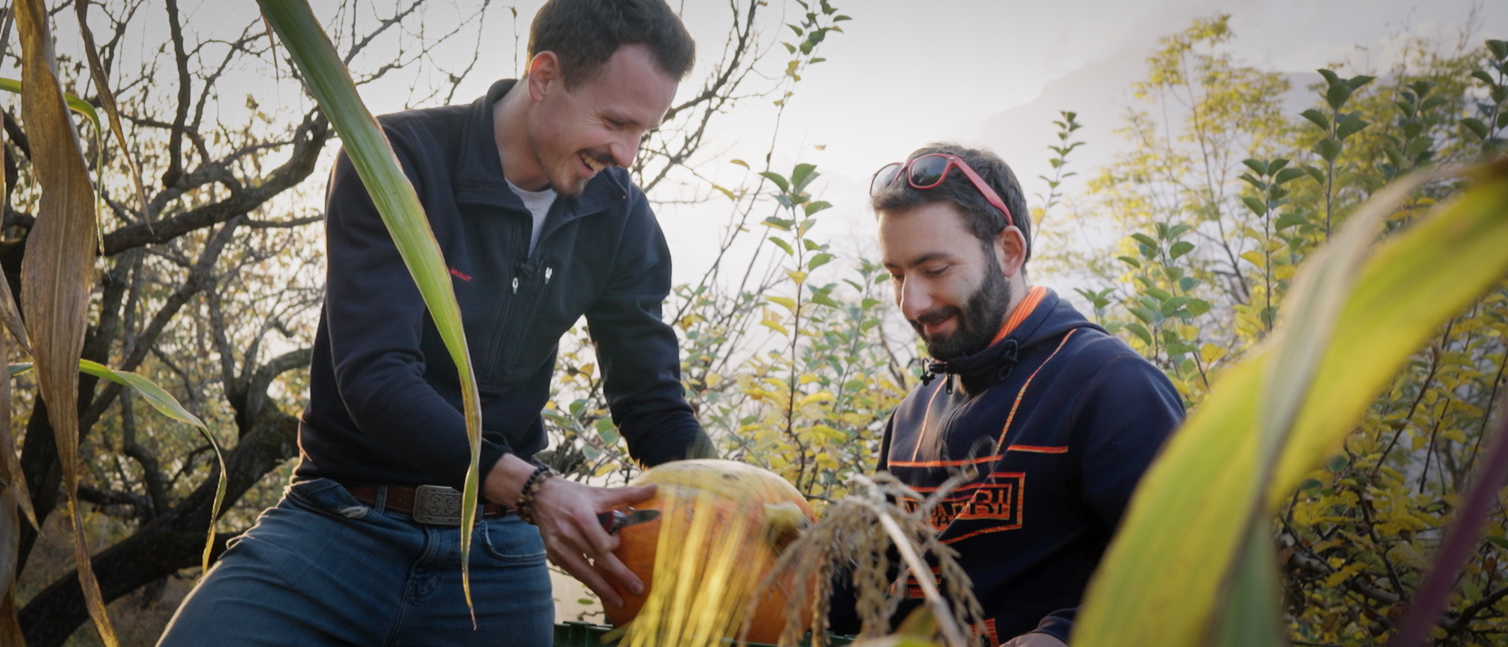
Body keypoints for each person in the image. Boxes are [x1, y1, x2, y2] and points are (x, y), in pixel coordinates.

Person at [158, 1, 713, 645]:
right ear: (543, 76)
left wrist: (750, 509)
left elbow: (653, 406)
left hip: (496, 553)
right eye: (615, 122)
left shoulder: (620, 217)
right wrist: (534, 489)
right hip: (338, 526)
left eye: (644, 133)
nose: (628, 155)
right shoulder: (398, 159)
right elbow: (377, 380)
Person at [829, 144, 1185, 646]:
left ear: (1009, 251)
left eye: (934, 270)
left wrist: (1062, 639)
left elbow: (1187, 576)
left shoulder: (1109, 387)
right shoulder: (912, 419)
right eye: (896, 275)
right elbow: (863, 593)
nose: (911, 302)